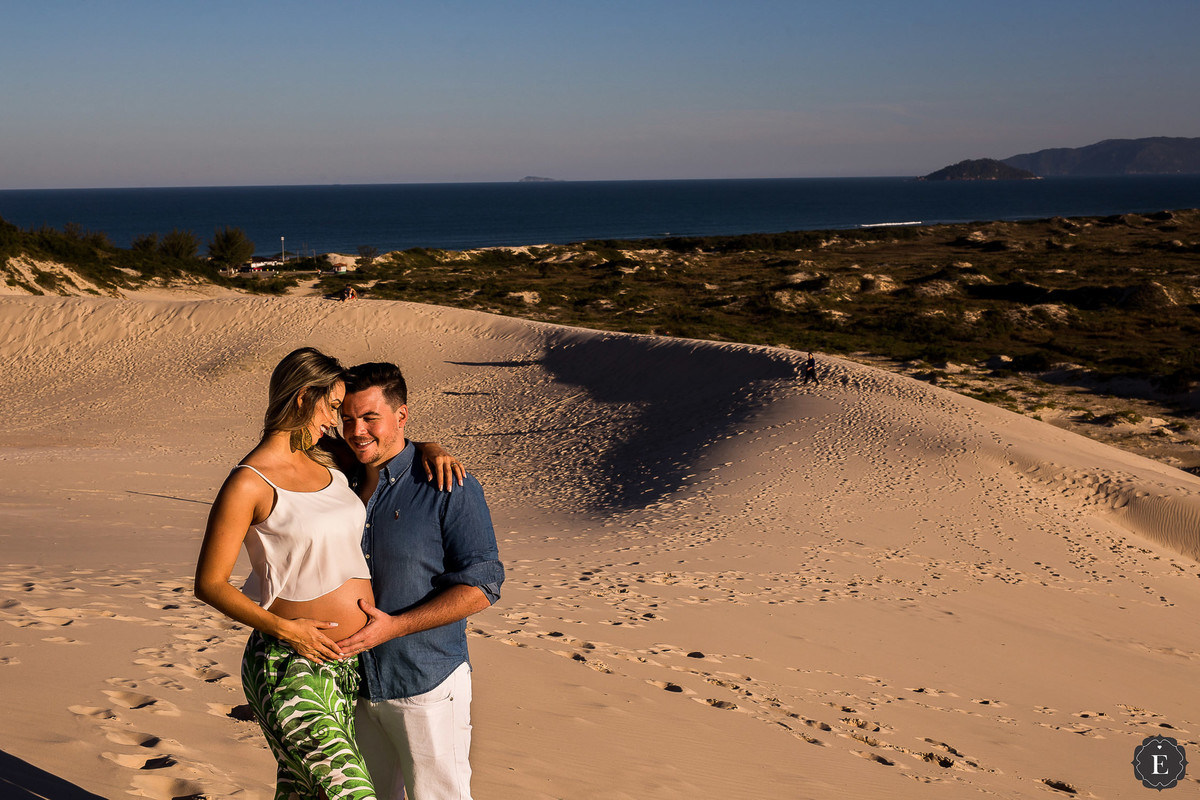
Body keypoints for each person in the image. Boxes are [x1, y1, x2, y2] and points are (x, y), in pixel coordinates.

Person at [194, 348, 460, 800]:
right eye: (334, 407)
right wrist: (286, 630)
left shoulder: (330, 462)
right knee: (353, 793)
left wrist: (430, 447)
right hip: (290, 663)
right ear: (303, 397)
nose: (338, 422)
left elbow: (389, 452)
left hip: (348, 668)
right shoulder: (249, 481)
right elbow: (209, 583)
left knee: (304, 793)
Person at [335, 362, 504, 800]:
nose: (357, 431)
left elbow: (482, 585)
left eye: (370, 417)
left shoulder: (448, 484)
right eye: (348, 418)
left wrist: (395, 626)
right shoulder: (339, 480)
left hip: (423, 681)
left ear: (401, 415)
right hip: (351, 683)